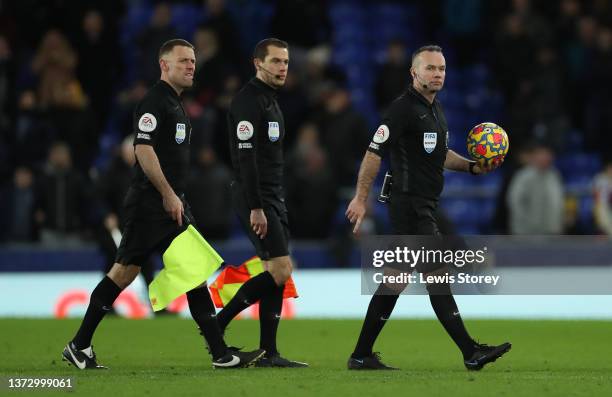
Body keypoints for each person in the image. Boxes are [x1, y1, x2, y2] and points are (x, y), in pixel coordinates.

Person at [61, 39, 264, 370]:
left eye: (193, 61)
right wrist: (169, 194)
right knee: (124, 273)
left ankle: (221, 354)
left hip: (170, 204)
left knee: (193, 271)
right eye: (183, 60)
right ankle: (78, 345)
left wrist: (175, 197)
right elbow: (143, 149)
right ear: (164, 65)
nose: (190, 66)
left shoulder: (176, 103)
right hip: (150, 205)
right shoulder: (155, 101)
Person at [345, 45, 511, 371]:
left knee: (395, 279)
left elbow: (441, 154)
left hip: (424, 206)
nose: (437, 74)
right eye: (430, 68)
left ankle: (361, 354)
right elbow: (374, 152)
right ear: (414, 72)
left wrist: (473, 168)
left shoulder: (435, 109)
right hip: (410, 206)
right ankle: (470, 351)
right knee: (437, 275)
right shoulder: (402, 109)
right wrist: (361, 198)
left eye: (442, 69)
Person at [218, 38, 307, 367]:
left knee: (276, 272)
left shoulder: (270, 100)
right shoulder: (248, 101)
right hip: (256, 195)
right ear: (258, 63)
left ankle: (269, 353)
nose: (283, 67)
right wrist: (256, 206)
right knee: (282, 269)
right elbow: (246, 159)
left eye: (286, 62)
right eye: (276, 61)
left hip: (271, 194)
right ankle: (217, 325)